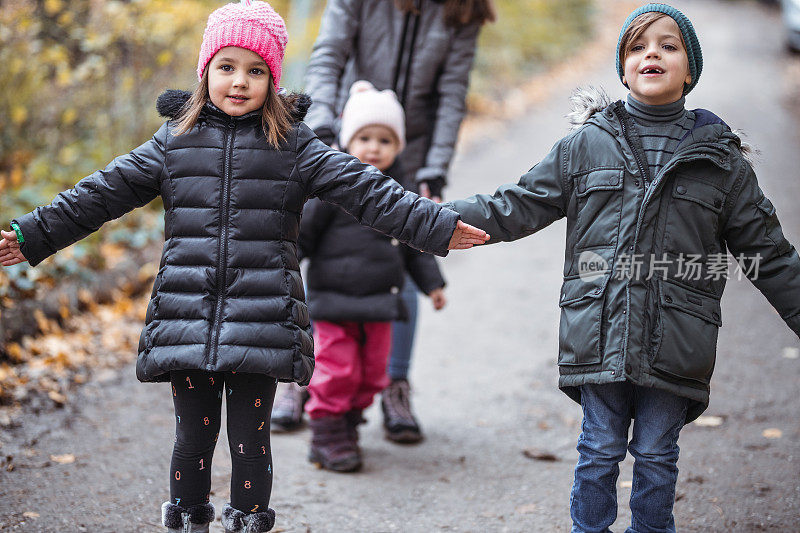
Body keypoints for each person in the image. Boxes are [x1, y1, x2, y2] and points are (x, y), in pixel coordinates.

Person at [0, 2, 488, 531]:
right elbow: (99, 193)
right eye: (226, 67)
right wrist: (31, 235)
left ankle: (248, 521)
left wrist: (436, 226)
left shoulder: (296, 147)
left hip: (264, 318)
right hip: (187, 314)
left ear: (273, 81)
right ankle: (187, 521)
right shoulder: (173, 142)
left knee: (250, 441)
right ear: (204, 70)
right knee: (191, 439)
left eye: (256, 71)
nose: (239, 82)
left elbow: (367, 190)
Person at [443, 4, 800, 531]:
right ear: (623, 66)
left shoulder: (720, 161)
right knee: (599, 449)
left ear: (690, 69)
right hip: (600, 330)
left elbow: (768, 254)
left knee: (656, 454)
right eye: (637, 46)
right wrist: (432, 220)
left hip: (676, 340)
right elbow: (515, 204)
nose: (651, 53)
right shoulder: (588, 145)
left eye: (668, 45)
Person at [271, 0, 496, 445]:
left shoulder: (463, 8)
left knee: (399, 260)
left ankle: (394, 383)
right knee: (325, 253)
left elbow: (453, 93)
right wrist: (322, 138)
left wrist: (433, 170)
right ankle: (300, 376)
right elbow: (328, 56)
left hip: (407, 152)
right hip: (342, 140)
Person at [299, 81, 447, 472]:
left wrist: (433, 283)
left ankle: (347, 423)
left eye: (384, 139)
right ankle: (327, 433)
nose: (373, 147)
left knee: (371, 375)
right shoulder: (330, 187)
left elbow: (418, 241)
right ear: (348, 140)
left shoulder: (403, 192)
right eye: (364, 137)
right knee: (337, 370)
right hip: (332, 303)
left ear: (398, 146)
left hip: (381, 304)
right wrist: (281, 264)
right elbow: (303, 237)